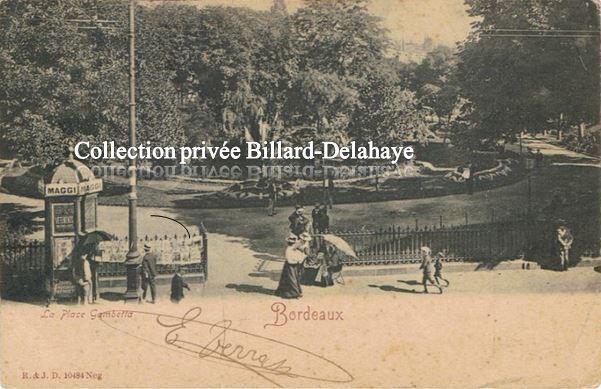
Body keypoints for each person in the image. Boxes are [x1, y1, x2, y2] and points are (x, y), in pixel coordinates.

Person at [275, 234, 308, 299]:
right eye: (294, 243)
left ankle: (291, 292)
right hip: (290, 266)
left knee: (293, 279)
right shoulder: (289, 250)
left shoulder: (293, 248)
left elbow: (297, 255)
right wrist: (298, 261)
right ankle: (294, 293)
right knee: (292, 279)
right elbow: (290, 260)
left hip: (293, 266)